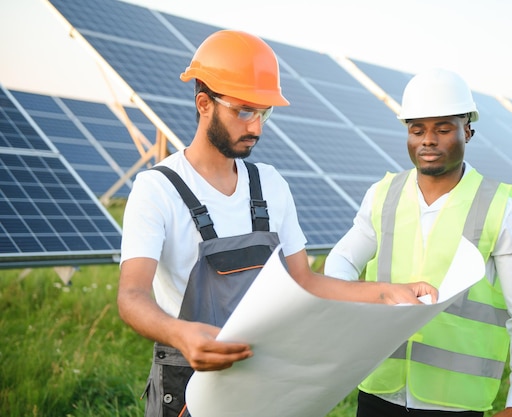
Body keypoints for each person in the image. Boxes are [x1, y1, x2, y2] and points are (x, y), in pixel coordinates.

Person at [117, 30, 437, 417]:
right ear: (204, 104)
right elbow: (131, 296)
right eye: (244, 111)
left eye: (264, 112)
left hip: (264, 381)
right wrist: (180, 334)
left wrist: (384, 293)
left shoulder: (269, 184)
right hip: (188, 387)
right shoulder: (158, 189)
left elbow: (305, 280)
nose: (257, 127)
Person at [324, 68, 512, 417]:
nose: (428, 140)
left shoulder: (503, 211)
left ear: (468, 132)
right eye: (417, 130)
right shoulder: (382, 195)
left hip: (455, 403)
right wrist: (361, 304)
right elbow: (340, 262)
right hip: (378, 391)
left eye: (443, 129)